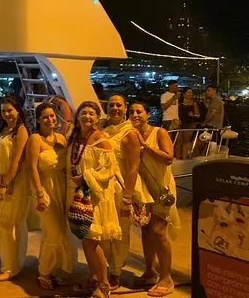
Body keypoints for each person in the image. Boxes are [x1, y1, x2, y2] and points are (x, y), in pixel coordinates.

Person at [67, 101, 120, 298]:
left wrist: (85, 177)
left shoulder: (101, 140)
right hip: (80, 194)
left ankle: (104, 283)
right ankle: (95, 277)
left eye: (91, 113)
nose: (87, 116)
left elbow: (109, 169)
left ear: (97, 118)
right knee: (86, 239)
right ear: (77, 116)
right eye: (84, 113)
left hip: (96, 196)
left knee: (92, 241)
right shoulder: (76, 138)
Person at [101, 95, 153, 291]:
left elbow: (133, 167)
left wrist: (128, 196)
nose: (115, 108)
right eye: (111, 105)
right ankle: (107, 266)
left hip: (121, 187)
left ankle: (115, 271)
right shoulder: (104, 131)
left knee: (121, 232)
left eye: (119, 105)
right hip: (104, 188)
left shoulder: (129, 133)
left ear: (125, 108)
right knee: (104, 230)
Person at [129, 101, 180, 297]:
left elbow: (168, 158)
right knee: (146, 230)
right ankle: (150, 271)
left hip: (162, 188)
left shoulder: (159, 132)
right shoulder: (131, 134)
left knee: (159, 232)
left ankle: (166, 277)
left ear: (148, 114)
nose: (135, 114)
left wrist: (145, 146)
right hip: (143, 190)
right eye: (132, 112)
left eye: (139, 111)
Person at [26, 103, 75, 290]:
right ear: (38, 120)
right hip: (44, 188)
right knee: (55, 233)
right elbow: (32, 168)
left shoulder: (61, 138)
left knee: (54, 232)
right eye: (45, 117)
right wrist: (39, 193)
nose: (50, 120)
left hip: (61, 189)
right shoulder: (35, 139)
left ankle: (52, 270)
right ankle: (44, 272)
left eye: (52, 116)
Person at [0, 95, 30, 281]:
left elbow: (17, 161)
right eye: (3, 111)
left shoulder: (21, 131)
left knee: (6, 226)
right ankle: (13, 263)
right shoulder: (6, 129)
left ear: (18, 111)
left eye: (10, 110)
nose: (6, 114)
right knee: (11, 225)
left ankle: (9, 268)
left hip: (15, 183)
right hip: (3, 180)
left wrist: (5, 184)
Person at [175, 87, 200, 159]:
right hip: (180, 123)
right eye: (188, 92)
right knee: (178, 142)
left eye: (191, 92)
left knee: (186, 142)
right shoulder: (179, 103)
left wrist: (193, 115)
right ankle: (177, 158)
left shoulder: (194, 103)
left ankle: (184, 158)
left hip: (189, 124)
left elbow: (198, 114)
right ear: (184, 94)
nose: (190, 94)